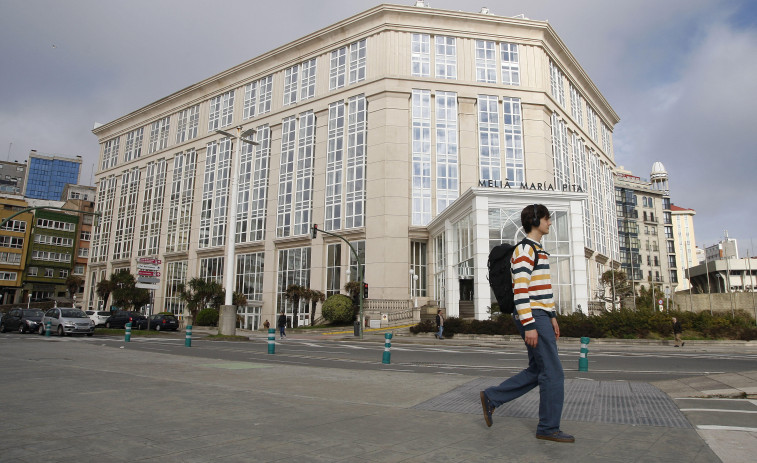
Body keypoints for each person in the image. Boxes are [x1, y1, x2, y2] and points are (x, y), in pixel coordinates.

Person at [479, 204, 574, 443]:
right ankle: (548, 427)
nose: (550, 223)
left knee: (538, 370)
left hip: (541, 316)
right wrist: (529, 323)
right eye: (547, 218)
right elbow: (520, 290)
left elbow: (541, 289)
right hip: (532, 316)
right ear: (535, 220)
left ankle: (492, 397)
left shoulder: (538, 250)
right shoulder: (524, 251)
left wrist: (552, 316)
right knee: (553, 373)